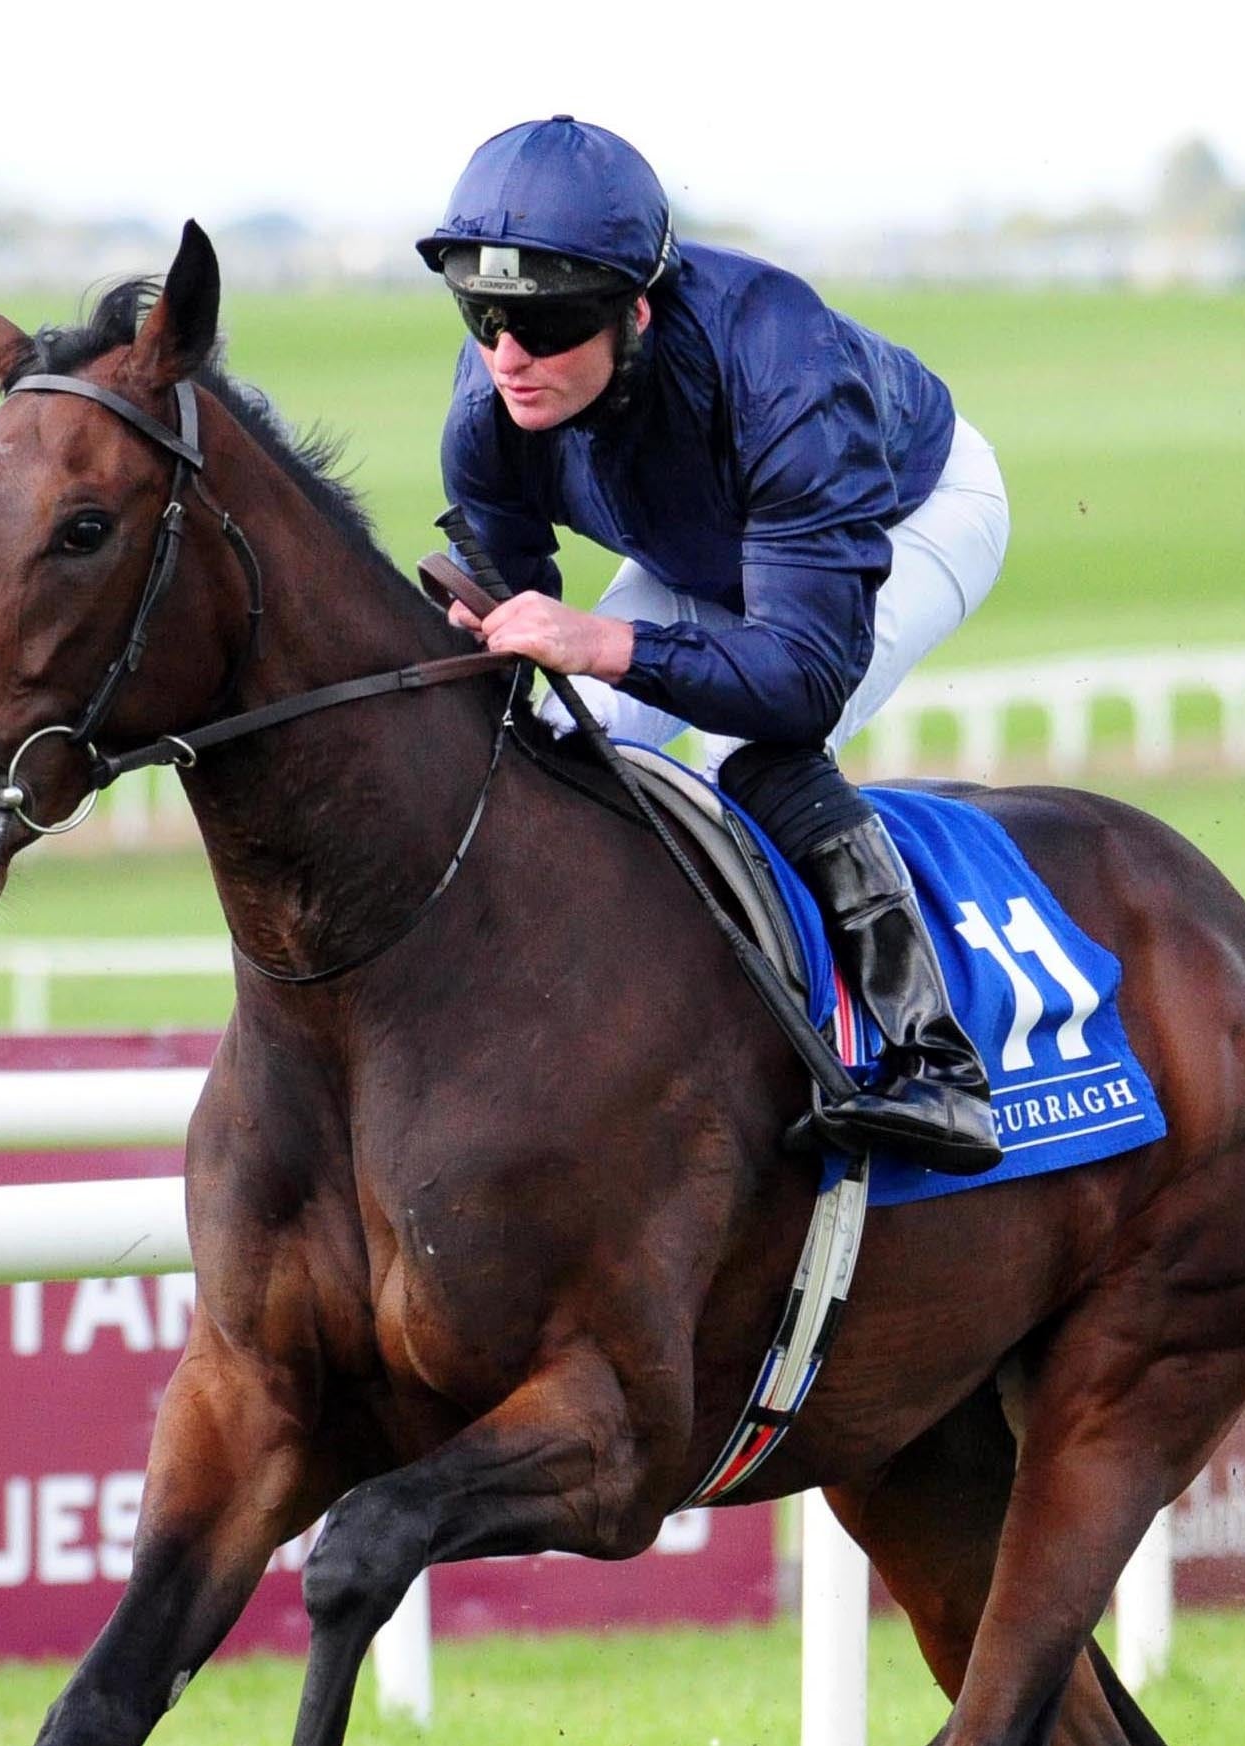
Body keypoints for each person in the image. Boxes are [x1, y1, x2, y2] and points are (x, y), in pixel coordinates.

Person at [421, 116, 1012, 1175]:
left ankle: (939, 1067)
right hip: (702, 536)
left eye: (545, 326)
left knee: (749, 754)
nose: (509, 357)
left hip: (904, 516)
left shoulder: (785, 367)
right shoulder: (489, 411)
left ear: (634, 312)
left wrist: (605, 639)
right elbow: (521, 614)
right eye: (483, 316)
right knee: (567, 730)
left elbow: (796, 680)